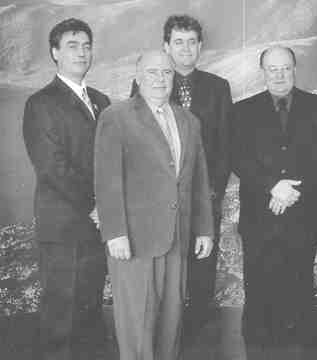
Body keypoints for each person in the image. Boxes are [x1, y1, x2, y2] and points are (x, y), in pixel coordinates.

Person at [94, 50, 214, 360]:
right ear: (137, 77)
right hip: (134, 240)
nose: (160, 79)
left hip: (177, 237)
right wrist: (115, 233)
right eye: (152, 72)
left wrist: (204, 229)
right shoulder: (116, 116)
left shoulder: (189, 120)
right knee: (138, 325)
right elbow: (106, 180)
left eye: (167, 73)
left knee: (170, 322)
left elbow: (198, 178)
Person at [232, 45, 317, 356]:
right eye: (272, 69)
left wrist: (292, 191)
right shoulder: (242, 110)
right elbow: (238, 158)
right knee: (259, 283)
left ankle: (303, 347)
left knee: (300, 280)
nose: (279, 74)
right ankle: (259, 347)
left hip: (302, 211)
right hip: (259, 213)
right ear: (263, 72)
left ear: (294, 69)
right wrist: (272, 187)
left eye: (285, 68)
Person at [131, 15, 233, 336]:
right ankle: (165, 327)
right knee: (164, 260)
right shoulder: (146, 84)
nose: (185, 48)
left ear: (200, 46)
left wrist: (211, 191)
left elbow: (226, 145)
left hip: (204, 194)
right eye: (178, 42)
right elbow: (138, 143)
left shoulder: (219, 87)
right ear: (166, 46)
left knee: (202, 262)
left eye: (191, 42)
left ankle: (199, 329)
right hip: (159, 199)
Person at [22, 18, 110, 360]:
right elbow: (52, 167)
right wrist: (94, 205)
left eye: (87, 46)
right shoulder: (41, 103)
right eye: (72, 45)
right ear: (54, 52)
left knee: (89, 313)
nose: (82, 52)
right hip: (63, 228)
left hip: (97, 226)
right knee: (61, 318)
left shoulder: (101, 100)